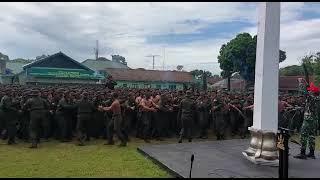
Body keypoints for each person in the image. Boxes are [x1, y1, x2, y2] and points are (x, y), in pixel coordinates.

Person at [294, 82, 319, 159]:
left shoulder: (313, 98)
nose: (309, 91)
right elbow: (310, 107)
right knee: (311, 136)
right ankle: (311, 153)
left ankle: (302, 153)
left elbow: (303, 92)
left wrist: (301, 83)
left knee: (303, 135)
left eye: (310, 91)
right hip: (314, 120)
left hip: (308, 119)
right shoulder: (316, 99)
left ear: (313, 92)